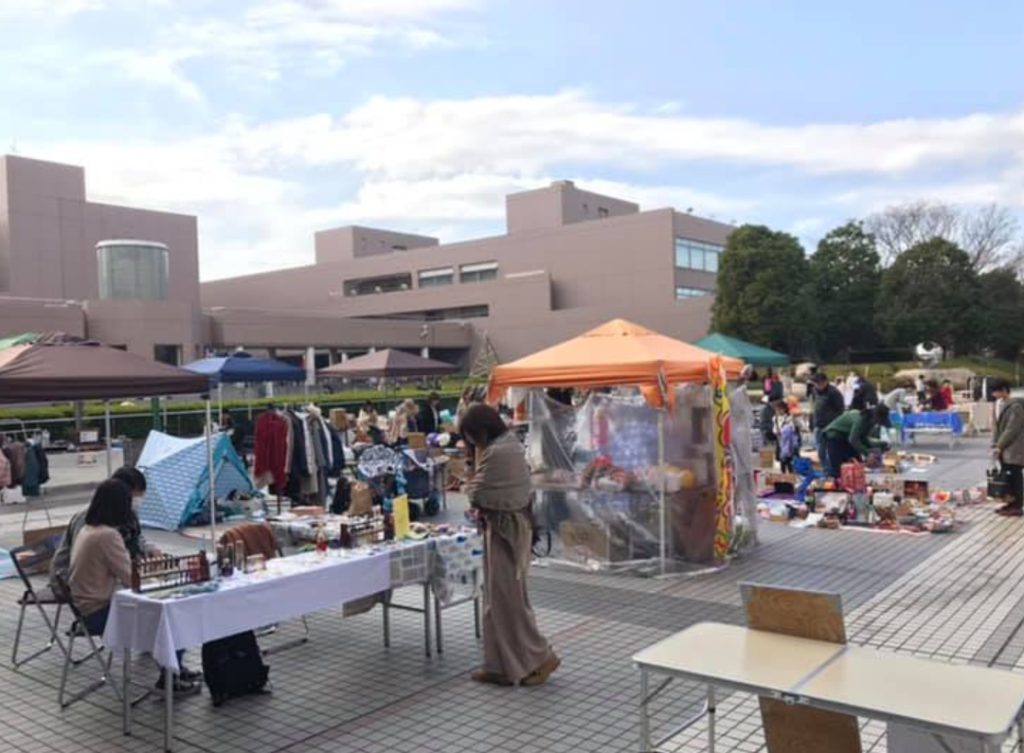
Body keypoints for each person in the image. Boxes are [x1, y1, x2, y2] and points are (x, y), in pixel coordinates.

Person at [462, 403, 559, 687]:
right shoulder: (507, 445)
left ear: (480, 430)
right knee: (496, 600)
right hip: (505, 528)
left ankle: (542, 657)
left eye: (469, 435)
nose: (468, 442)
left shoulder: (500, 451)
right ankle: (499, 665)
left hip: (507, 532)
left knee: (509, 601)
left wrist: (471, 475)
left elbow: (477, 491)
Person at [50, 466, 155, 594]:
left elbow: (136, 538)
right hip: (81, 584)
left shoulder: (126, 514)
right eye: (135, 495)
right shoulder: (91, 520)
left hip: (103, 578)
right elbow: (83, 560)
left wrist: (148, 549)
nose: (138, 500)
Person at [822, 405, 891, 478]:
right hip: (834, 437)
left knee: (858, 466)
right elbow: (853, 439)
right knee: (838, 470)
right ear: (876, 416)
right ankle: (834, 484)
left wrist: (880, 445)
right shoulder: (861, 419)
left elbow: (864, 439)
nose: (878, 424)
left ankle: (854, 485)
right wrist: (867, 453)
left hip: (846, 438)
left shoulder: (870, 422)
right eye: (879, 421)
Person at [991, 379, 1024, 517]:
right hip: (1002, 447)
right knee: (1007, 476)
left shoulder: (1015, 406)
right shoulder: (997, 404)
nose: (994, 394)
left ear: (1004, 390)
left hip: (1014, 446)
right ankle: (1010, 502)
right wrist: (994, 445)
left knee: (1015, 475)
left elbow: (1012, 429)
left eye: (996, 391)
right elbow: (995, 427)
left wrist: (999, 445)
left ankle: (1018, 505)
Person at [810, 373, 845, 474]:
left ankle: (831, 471)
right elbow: (814, 407)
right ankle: (826, 469)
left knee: (830, 450)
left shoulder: (834, 392)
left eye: (819, 383)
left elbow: (840, 410)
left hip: (830, 426)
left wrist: (835, 424)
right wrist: (811, 421)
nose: (816, 385)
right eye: (815, 383)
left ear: (825, 382)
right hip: (818, 425)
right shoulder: (814, 391)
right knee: (820, 450)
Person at [772, 401, 800, 474]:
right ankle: (783, 474)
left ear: (784, 409)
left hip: (788, 442)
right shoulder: (775, 418)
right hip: (780, 441)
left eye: (779, 409)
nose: (777, 411)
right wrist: (776, 432)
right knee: (782, 459)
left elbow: (792, 428)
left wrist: (783, 431)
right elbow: (774, 429)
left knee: (789, 458)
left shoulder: (789, 418)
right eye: (776, 410)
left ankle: (791, 474)